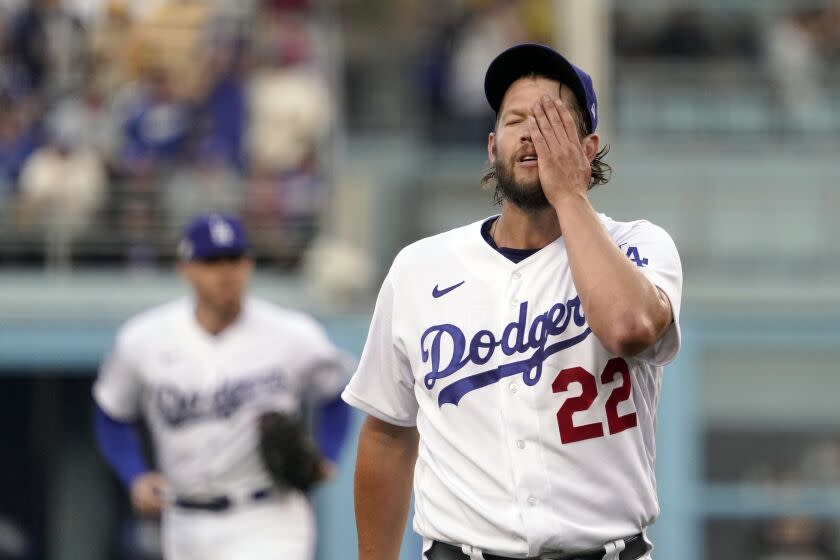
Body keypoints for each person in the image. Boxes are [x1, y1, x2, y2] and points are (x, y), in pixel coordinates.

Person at [342, 43, 682, 560]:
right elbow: (388, 433)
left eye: (550, 120)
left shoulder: (639, 245)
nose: (529, 132)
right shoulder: (419, 268)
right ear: (490, 144)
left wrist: (569, 194)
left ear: (588, 148)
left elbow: (629, 327)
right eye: (515, 119)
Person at [92, 212, 352, 559]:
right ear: (186, 268)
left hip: (269, 516)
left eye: (234, 259)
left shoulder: (293, 334)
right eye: (211, 261)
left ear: (248, 265)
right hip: (183, 520)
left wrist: (328, 454)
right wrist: (134, 474)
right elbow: (111, 411)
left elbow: (337, 393)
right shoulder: (143, 339)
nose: (226, 272)